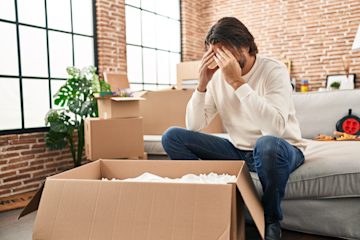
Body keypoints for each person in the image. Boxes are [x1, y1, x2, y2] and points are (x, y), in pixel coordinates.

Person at [161, 17, 307, 240]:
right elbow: (194, 124)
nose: (221, 60)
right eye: (215, 54)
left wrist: (238, 83)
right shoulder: (217, 77)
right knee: (172, 136)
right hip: (239, 151)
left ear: (246, 47)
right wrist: (202, 84)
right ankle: (208, 202)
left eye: (225, 52)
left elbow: (274, 129)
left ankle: (271, 221)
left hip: (281, 149)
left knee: (266, 144)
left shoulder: (272, 70)